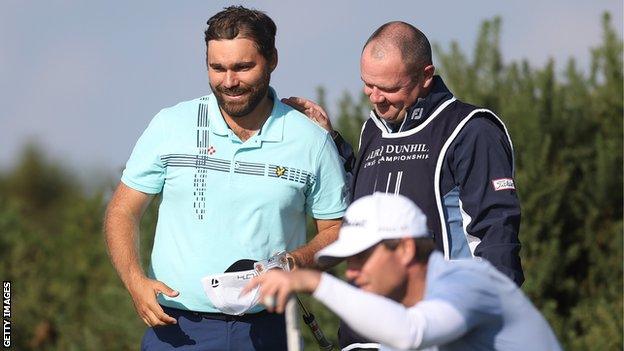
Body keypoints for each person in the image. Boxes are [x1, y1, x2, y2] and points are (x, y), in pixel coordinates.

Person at [104, 6, 348, 351]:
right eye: (217, 68)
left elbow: (337, 231)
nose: (229, 81)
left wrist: (296, 260)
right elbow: (122, 210)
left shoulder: (310, 139)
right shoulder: (170, 124)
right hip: (176, 328)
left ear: (272, 60)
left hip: (270, 328)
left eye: (243, 67)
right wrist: (134, 281)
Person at [283, 22, 523, 349]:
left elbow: (497, 234)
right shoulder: (373, 130)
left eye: (389, 88)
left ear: (426, 75)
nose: (377, 98)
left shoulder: (472, 129)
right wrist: (332, 142)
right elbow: (367, 208)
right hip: (364, 337)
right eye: (368, 85)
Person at [244, 193, 561, 351]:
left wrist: (314, 281)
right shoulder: (407, 308)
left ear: (407, 249)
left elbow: (411, 332)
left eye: (362, 257)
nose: (351, 273)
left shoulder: (466, 282)